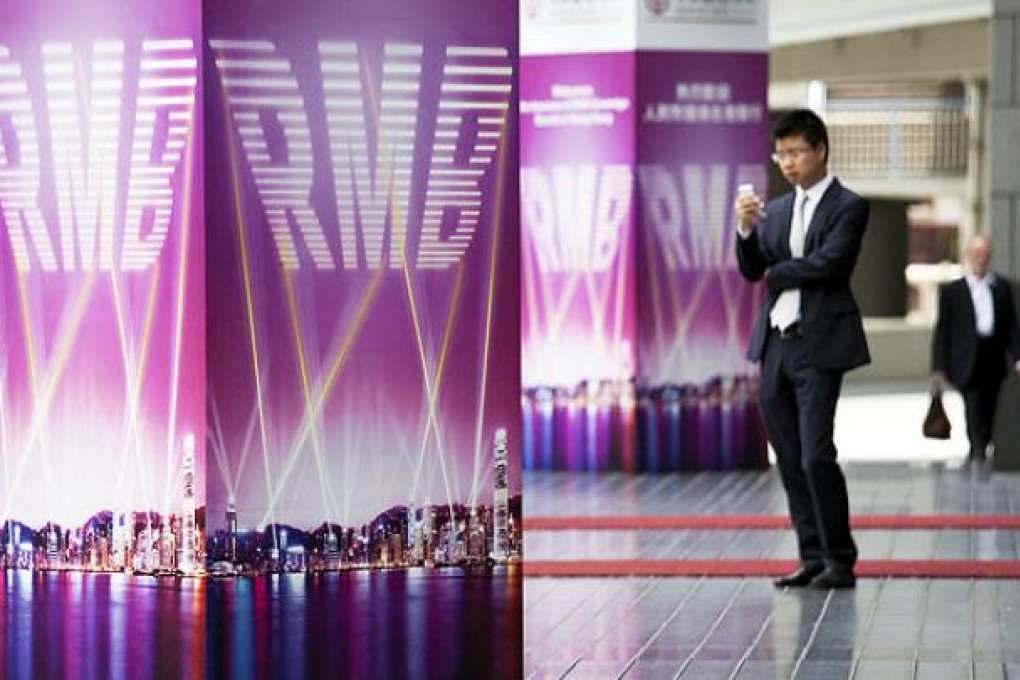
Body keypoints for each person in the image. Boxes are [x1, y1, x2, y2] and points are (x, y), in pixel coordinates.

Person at [733, 109, 870, 590]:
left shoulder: (848, 205)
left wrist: (779, 272)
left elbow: (831, 264)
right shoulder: (776, 210)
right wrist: (746, 232)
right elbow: (752, 270)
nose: (787, 163)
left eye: (795, 152)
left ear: (820, 151)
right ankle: (811, 556)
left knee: (816, 455)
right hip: (775, 345)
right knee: (788, 458)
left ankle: (841, 558)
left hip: (819, 345)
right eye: (781, 154)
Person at [931, 234, 1020, 461]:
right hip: (964, 357)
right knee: (972, 403)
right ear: (969, 256)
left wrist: (1017, 356)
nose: (981, 259)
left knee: (990, 403)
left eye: (985, 255)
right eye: (977, 254)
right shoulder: (953, 291)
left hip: (993, 355)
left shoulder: (1001, 287)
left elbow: (1011, 327)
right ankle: (977, 446)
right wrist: (938, 367)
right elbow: (943, 330)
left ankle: (983, 440)